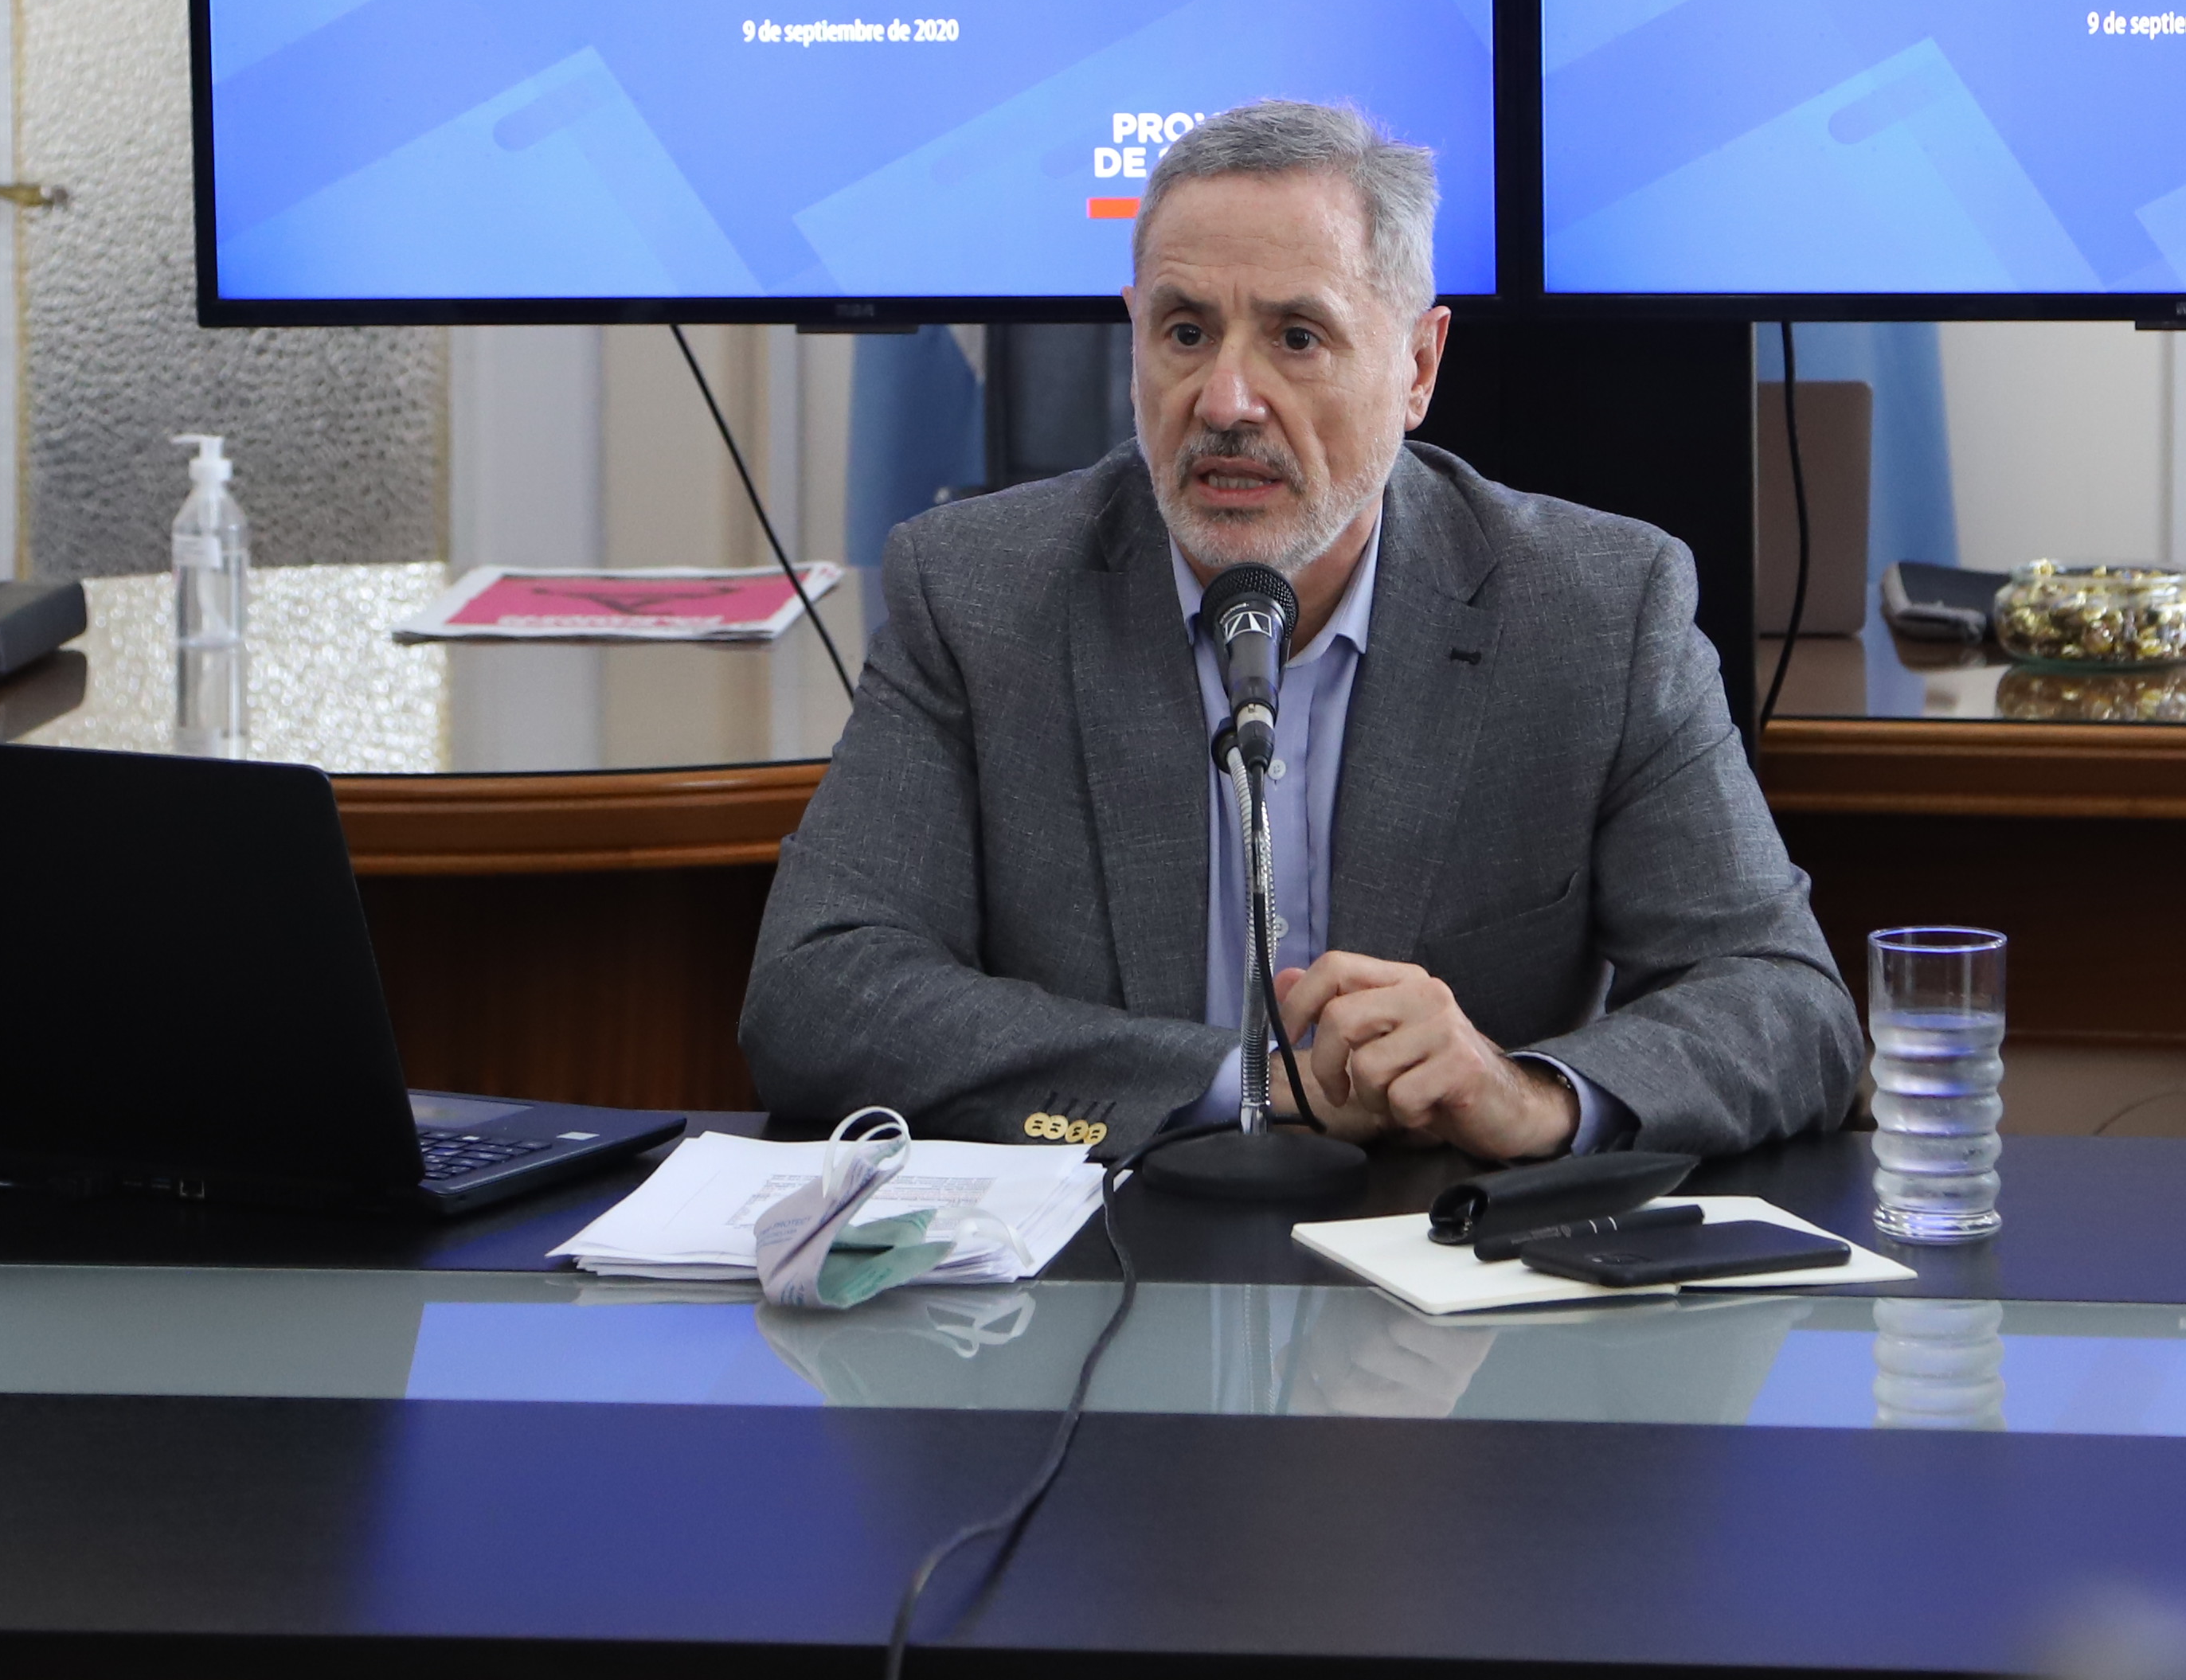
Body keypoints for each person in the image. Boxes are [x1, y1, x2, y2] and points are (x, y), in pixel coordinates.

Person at [743, 100, 1860, 1161]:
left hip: (1440, 1257)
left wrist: (1524, 1094)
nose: (1226, 401)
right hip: (1101, 1245)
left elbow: (1786, 1004)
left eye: (1297, 337)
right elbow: (818, 992)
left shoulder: (1597, 609)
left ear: (1418, 367)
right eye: (1186, 332)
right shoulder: (977, 593)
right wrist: (1249, 1084)